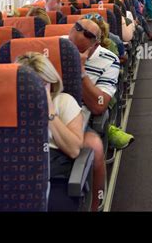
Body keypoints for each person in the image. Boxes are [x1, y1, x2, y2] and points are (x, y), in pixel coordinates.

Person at [15, 52, 103, 211]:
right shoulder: (9, 109)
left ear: (52, 83)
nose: (38, 91)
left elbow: (74, 150)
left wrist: (50, 114)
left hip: (54, 171)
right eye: (30, 87)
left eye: (43, 84)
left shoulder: (63, 102)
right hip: (19, 171)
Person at [68, 19, 134, 150]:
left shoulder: (109, 59)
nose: (73, 53)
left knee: (94, 148)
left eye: (79, 50)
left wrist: (80, 70)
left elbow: (99, 105)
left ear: (95, 45)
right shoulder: (58, 47)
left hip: (80, 115)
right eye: (71, 47)